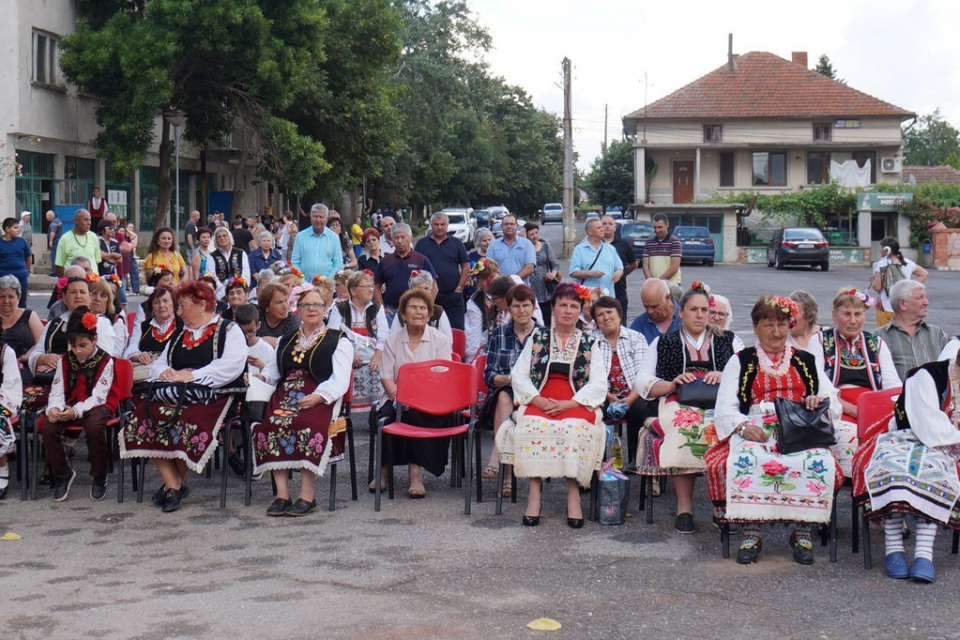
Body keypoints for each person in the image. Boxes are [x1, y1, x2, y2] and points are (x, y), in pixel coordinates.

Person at [707, 295, 842, 565]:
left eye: (782, 324)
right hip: (755, 427)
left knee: (815, 461)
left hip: (799, 427)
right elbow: (724, 407)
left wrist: (817, 402)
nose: (777, 332)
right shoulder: (741, 360)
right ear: (755, 327)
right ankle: (752, 530)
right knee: (748, 461)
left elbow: (832, 402)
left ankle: (802, 529)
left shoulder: (806, 360)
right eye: (768, 325)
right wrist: (743, 426)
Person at [120, 281, 247, 513]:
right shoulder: (180, 332)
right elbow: (161, 362)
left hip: (213, 393)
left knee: (184, 418)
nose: (178, 312)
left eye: (183, 306)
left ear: (201, 305)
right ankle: (174, 483)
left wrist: (190, 376)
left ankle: (174, 484)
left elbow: (232, 366)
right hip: (175, 390)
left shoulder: (229, 330)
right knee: (143, 415)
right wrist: (165, 372)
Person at [495, 283, 608, 528]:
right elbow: (519, 374)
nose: (568, 311)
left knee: (572, 429)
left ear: (580, 311)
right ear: (552, 308)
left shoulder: (591, 343)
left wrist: (570, 404)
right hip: (540, 399)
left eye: (574, 306)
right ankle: (534, 495)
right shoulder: (538, 337)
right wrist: (536, 399)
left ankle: (573, 494)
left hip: (575, 401)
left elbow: (599, 383)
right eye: (563, 305)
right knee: (531, 426)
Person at [635, 283, 738, 532]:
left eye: (704, 309)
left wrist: (725, 375)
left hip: (720, 405)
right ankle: (684, 508)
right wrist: (672, 383)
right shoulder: (664, 342)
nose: (700, 315)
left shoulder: (730, 341)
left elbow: (746, 375)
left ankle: (721, 505)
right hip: (677, 403)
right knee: (683, 431)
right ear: (681, 312)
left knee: (723, 431)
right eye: (694, 309)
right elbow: (642, 381)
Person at [253, 280, 354, 517]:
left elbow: (340, 380)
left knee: (305, 425)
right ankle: (282, 495)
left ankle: (307, 495)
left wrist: (319, 397)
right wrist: (262, 379)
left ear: (326, 309)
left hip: (320, 393)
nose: (312, 309)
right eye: (306, 305)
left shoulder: (338, 340)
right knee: (269, 425)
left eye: (317, 305)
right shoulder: (285, 340)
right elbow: (274, 371)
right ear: (297, 309)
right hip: (285, 393)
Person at [858, 351, 960, 583]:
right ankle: (893, 548)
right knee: (896, 467)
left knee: (934, 469)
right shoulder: (926, 376)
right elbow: (929, 428)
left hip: (948, 448)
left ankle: (924, 553)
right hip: (906, 437)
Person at [805, 289, 901, 477]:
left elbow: (892, 384)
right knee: (848, 435)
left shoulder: (876, 343)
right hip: (837, 406)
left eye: (858, 314)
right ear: (834, 315)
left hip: (873, 405)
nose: (853, 320)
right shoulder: (820, 341)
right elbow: (816, 382)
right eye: (846, 314)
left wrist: (884, 409)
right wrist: (850, 409)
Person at [375, 288, 455, 498]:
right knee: (385, 417)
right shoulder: (392, 340)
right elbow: (386, 376)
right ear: (403, 314)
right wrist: (397, 397)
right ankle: (383, 471)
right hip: (395, 396)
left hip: (429, 400)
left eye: (423, 308)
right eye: (413, 308)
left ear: (429, 314)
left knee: (414, 415)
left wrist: (416, 399)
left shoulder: (440, 340)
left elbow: (441, 377)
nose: (418, 312)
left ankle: (415, 474)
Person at [40, 306, 117, 502]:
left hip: (97, 405)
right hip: (70, 404)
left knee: (93, 426)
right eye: (73, 346)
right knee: (48, 426)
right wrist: (55, 409)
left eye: (83, 345)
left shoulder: (105, 361)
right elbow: (57, 389)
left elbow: (99, 396)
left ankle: (99, 475)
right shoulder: (65, 361)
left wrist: (74, 412)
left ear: (95, 340)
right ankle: (62, 473)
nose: (77, 351)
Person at [478, 283, 540, 492]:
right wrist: (510, 379)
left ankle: (498, 459)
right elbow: (489, 375)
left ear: (533, 307)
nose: (520, 311)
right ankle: (506, 475)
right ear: (509, 309)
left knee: (509, 398)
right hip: (503, 392)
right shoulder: (499, 334)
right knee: (505, 397)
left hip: (534, 395)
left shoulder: (544, 336)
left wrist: (520, 382)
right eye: (515, 306)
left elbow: (544, 377)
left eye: (525, 305)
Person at [26, 274, 118, 412]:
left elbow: (103, 359)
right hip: (50, 382)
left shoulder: (100, 323)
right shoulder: (54, 324)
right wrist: (44, 358)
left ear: (89, 297)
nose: (78, 296)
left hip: (85, 385)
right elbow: (35, 354)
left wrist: (62, 362)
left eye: (83, 292)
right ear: (64, 297)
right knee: (27, 398)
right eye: (73, 292)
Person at [590, 296, 649, 466]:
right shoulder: (590, 341)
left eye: (610, 312)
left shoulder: (636, 338)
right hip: (603, 394)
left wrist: (629, 400)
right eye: (600, 314)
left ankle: (636, 461)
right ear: (596, 321)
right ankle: (596, 465)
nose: (606, 317)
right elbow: (588, 376)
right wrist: (608, 396)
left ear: (620, 315)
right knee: (593, 411)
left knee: (641, 409)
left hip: (633, 394)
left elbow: (643, 375)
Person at [327, 270, 388, 410]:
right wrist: (349, 355)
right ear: (353, 291)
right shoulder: (339, 308)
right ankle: (341, 409)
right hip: (346, 354)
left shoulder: (377, 308)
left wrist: (379, 354)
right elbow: (333, 334)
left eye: (372, 286)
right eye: (366, 286)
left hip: (372, 354)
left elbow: (384, 334)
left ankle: (377, 410)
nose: (371, 289)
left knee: (380, 366)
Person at [877, 280, 949, 381]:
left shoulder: (937, 334)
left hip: (935, 395)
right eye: (920, 298)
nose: (926, 302)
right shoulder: (879, 337)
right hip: (899, 395)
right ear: (902, 304)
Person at [414, 212, 470, 330]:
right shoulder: (421, 244)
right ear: (431, 225)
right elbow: (416, 268)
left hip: (453, 297)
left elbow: (465, 266)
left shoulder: (457, 243)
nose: (439, 227)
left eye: (442, 224)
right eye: (436, 224)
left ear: (447, 225)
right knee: (429, 331)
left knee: (456, 330)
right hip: (428, 297)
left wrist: (459, 289)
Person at [374, 223, 437, 325]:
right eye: (396, 238)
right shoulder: (385, 261)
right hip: (391, 312)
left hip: (415, 312)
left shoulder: (421, 260)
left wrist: (427, 307)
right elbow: (376, 287)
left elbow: (434, 287)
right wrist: (381, 308)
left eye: (403, 237)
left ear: (410, 238)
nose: (399, 241)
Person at [871, 236, 928, 328]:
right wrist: (910, 286)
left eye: (881, 248)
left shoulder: (882, 264)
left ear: (887, 249)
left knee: (885, 335)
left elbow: (877, 287)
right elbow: (924, 274)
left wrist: (873, 280)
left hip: (885, 307)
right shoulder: (907, 263)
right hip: (903, 306)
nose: (880, 250)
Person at [124, 285, 181, 369]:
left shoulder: (182, 325)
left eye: (165, 301)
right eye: (156, 302)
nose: (161, 305)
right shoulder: (144, 326)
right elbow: (131, 347)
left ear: (174, 304)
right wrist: (138, 356)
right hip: (147, 373)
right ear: (152, 307)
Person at [388, 271, 453, 340]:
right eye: (419, 289)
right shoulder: (402, 313)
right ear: (411, 291)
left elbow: (448, 341)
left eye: (426, 288)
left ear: (431, 290)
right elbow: (393, 338)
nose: (423, 292)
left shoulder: (439, 312)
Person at [569, 218, 623, 295]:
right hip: (587, 297)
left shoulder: (610, 248)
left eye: (602, 227)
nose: (602, 229)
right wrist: (591, 273)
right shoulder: (579, 249)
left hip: (608, 296)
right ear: (589, 232)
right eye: (598, 228)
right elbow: (573, 272)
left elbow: (619, 267)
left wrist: (618, 273)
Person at [291, 203, 344, 281]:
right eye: (315, 216)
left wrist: (327, 281)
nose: (318, 220)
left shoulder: (334, 238)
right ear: (310, 218)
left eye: (321, 217)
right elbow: (295, 262)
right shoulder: (300, 236)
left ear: (326, 219)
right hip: (304, 285)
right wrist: (303, 281)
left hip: (327, 286)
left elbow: (338, 263)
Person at [601, 215, 638, 323]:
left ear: (615, 227)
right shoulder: (595, 244)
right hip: (599, 290)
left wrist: (623, 273)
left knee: (620, 324)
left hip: (619, 290)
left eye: (610, 224)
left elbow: (634, 263)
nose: (607, 226)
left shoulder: (623, 244)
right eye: (604, 224)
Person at [523, 222, 560, 329]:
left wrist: (552, 274)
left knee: (546, 321)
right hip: (529, 288)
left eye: (536, 233)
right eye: (531, 234)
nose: (535, 236)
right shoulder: (523, 248)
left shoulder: (545, 246)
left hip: (544, 291)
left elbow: (555, 265)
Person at [464, 259, 503, 362]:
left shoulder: (512, 288)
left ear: (499, 274)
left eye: (492, 277)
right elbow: (473, 337)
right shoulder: (474, 303)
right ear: (479, 282)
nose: (489, 282)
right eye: (485, 279)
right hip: (488, 350)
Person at [0, 275, 43, 365]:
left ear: (18, 297)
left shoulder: (29, 315)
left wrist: (28, 355)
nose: (6, 301)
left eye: (11, 297)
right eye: (2, 297)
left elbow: (42, 343)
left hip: (25, 365)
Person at [630, 278, 681, 344]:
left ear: (668, 298)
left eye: (654, 307)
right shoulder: (639, 325)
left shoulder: (686, 317)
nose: (650, 311)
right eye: (646, 307)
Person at [485, 215, 535, 281]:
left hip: (521, 288)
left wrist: (512, 281)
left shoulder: (527, 244)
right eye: (506, 224)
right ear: (501, 226)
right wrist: (502, 282)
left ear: (517, 226)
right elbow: (489, 268)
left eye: (512, 224)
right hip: (499, 288)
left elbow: (529, 268)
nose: (509, 226)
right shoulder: (493, 246)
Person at [55, 210, 101, 277]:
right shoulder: (65, 239)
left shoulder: (93, 236)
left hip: (92, 282)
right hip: (74, 282)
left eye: (90, 220)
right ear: (76, 221)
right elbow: (59, 265)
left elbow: (96, 261)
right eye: (85, 220)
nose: (89, 223)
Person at [88, 276, 127, 357]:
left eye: (103, 296)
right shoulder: (78, 316)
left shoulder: (117, 320)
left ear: (108, 301)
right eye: (94, 293)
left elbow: (117, 351)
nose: (97, 299)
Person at [234, 303, 274, 379]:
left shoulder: (267, 350)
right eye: (242, 332)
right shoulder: (230, 347)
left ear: (258, 325)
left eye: (250, 332)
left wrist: (262, 366)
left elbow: (272, 378)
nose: (246, 336)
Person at [257, 281, 302, 346]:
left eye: (286, 300)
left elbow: (295, 345)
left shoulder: (292, 320)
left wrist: (269, 341)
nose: (286, 306)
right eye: (279, 303)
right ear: (266, 306)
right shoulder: (257, 317)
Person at [642, 212, 682, 285]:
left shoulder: (674, 242)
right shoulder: (648, 242)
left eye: (660, 227)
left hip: (672, 285)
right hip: (655, 286)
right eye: (655, 227)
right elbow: (645, 266)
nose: (657, 230)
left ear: (667, 225)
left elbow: (674, 267)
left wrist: (658, 282)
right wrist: (651, 281)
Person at [0, 217, 33, 308]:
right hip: (3, 277)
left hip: (21, 276)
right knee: (4, 302)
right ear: (7, 229)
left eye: (18, 227)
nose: (18, 230)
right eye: (15, 227)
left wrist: (27, 270)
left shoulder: (22, 242)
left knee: (22, 303)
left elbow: (28, 257)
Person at [121, 222, 140, 294]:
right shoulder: (122, 236)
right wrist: (125, 229)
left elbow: (135, 236)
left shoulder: (130, 237)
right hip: (123, 256)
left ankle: (136, 289)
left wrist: (128, 230)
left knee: (135, 271)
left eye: (132, 227)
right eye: (129, 227)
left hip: (130, 256)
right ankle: (124, 288)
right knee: (124, 273)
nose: (131, 229)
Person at [47, 210, 63, 278]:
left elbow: (53, 232)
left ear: (50, 216)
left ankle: (54, 271)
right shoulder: (57, 220)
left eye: (47, 216)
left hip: (55, 241)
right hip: (58, 240)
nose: (46, 218)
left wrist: (50, 241)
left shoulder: (54, 222)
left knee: (54, 256)